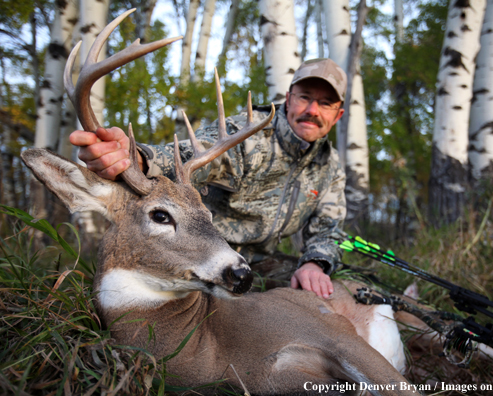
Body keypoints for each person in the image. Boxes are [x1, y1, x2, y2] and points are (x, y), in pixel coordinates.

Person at [70, 58, 348, 299]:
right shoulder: (246, 134)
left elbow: (329, 229)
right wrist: (137, 159)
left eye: (325, 103)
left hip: (256, 264)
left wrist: (315, 264)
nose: (313, 109)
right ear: (289, 99)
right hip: (192, 249)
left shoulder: (330, 167)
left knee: (328, 294)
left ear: (338, 115)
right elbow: (194, 155)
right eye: (305, 97)